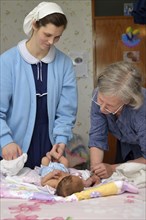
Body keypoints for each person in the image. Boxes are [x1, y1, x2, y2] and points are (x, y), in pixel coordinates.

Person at [0, 2, 78, 168]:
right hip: (13, 148)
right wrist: (4, 140)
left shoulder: (64, 64)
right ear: (35, 25)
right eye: (47, 34)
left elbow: (66, 111)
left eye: (57, 37)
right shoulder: (7, 62)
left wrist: (61, 141)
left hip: (49, 147)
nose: (51, 41)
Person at [89, 61, 146, 180]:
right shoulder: (101, 94)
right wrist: (95, 171)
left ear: (126, 101)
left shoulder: (142, 112)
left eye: (109, 105)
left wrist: (112, 168)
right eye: (100, 100)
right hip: (125, 146)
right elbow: (97, 137)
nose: (102, 109)